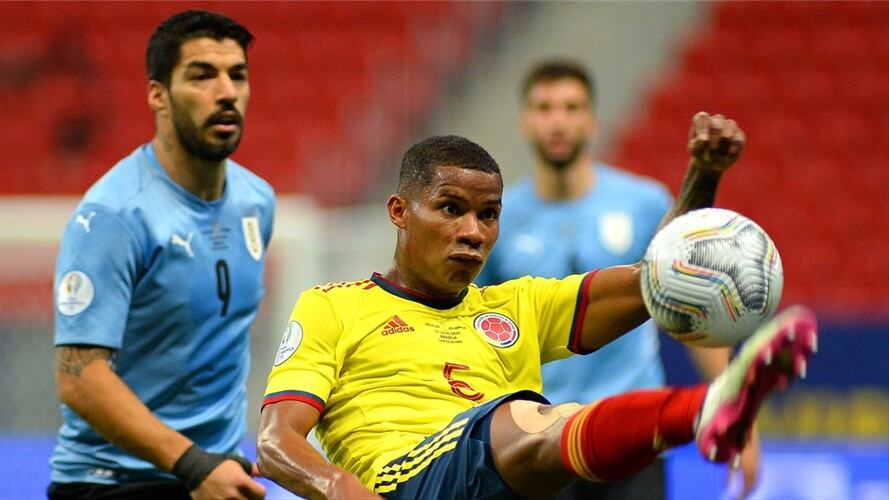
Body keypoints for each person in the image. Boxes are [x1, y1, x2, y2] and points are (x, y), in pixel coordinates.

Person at [256, 118, 817, 499]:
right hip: (407, 482)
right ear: (400, 211)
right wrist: (337, 488)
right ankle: (703, 410)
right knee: (532, 417)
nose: (473, 232)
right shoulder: (333, 306)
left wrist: (704, 173)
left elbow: (658, 278)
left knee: (543, 421)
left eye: (489, 214)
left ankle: (704, 410)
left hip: (510, 482)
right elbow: (277, 439)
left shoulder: (517, 304)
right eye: (451, 209)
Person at [475, 59, 760, 498]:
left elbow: (692, 306)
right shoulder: (499, 218)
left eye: (571, 107)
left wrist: (738, 412)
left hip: (634, 432)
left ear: (591, 120)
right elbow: (475, 329)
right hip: (542, 439)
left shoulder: (644, 204)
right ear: (525, 121)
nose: (558, 121)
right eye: (545, 107)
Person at [50, 10, 271, 500]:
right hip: (113, 482)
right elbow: (79, 377)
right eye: (202, 76)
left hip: (216, 472)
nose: (227, 92)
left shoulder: (257, 202)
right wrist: (194, 465)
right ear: (158, 95)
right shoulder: (114, 215)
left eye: (237, 75)